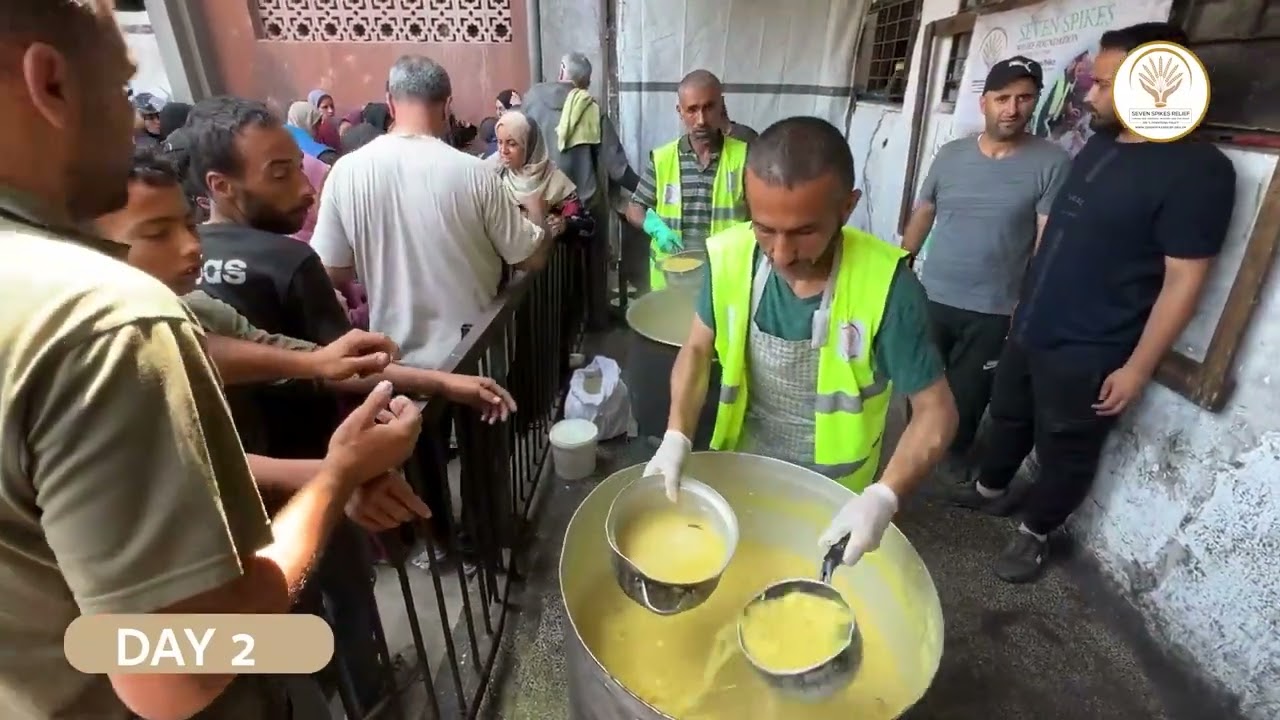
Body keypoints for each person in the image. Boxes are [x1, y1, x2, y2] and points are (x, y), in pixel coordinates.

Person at [0, 3, 420, 718]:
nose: (136, 118)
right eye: (119, 88)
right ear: (52, 83)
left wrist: (324, 376)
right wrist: (337, 479)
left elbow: (211, 347)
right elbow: (175, 672)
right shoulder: (102, 317)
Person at [949, 22, 1237, 584]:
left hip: (1090, 349)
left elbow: (1183, 281)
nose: (1089, 94)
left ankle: (1034, 533)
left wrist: (1136, 368)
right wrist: (1022, 302)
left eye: (1104, 84)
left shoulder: (1198, 173)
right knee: (1007, 414)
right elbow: (1059, 233)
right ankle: (991, 490)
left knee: (1067, 446)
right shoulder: (1102, 144)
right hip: (1033, 323)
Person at [643, 116, 957, 569]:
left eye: (804, 232)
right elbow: (695, 349)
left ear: (847, 208)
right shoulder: (728, 258)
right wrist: (676, 435)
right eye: (764, 228)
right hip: (745, 472)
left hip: (837, 495)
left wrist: (884, 496)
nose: (782, 253)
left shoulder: (888, 287)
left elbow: (937, 412)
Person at [312, 55, 553, 561]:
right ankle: (487, 544)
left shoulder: (347, 172)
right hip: (475, 351)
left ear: (391, 99)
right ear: (446, 106)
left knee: (418, 455)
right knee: (484, 454)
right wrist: (544, 224)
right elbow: (529, 255)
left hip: (398, 357)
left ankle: (435, 541)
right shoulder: (472, 174)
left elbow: (332, 269)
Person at [901, 56, 1070, 471]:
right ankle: (912, 449)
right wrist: (901, 267)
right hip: (934, 293)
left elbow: (1046, 239)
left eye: (1024, 98)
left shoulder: (1052, 163)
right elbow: (924, 211)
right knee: (919, 380)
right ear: (984, 102)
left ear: (1036, 103)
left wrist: (1027, 302)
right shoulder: (951, 155)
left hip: (995, 307)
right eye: (1003, 98)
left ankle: (950, 459)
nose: (1012, 109)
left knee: (970, 392)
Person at [522, 51, 640, 328]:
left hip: (539, 203)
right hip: (583, 206)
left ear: (561, 70)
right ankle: (595, 320)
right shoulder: (591, 108)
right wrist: (646, 189)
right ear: (585, 82)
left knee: (545, 271)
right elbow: (617, 168)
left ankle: (554, 328)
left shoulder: (531, 100)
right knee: (591, 267)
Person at [625, 69, 751, 291]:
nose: (701, 120)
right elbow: (635, 207)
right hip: (673, 280)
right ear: (680, 111)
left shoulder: (746, 157)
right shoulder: (663, 159)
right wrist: (654, 228)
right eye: (692, 110)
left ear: (721, 106)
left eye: (708, 107)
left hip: (725, 280)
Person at [286, 99, 338, 165]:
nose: (319, 128)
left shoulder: (277, 137)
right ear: (306, 122)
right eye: (316, 123)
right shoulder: (324, 155)